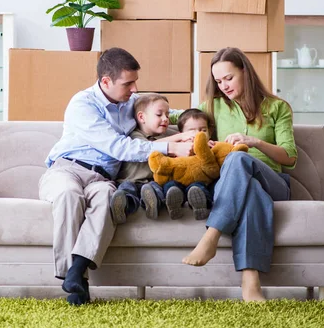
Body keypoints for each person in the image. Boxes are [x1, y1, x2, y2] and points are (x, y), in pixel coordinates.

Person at [39, 48, 193, 306]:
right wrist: (170, 146)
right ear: (106, 81)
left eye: (136, 82)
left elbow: (164, 111)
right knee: (69, 195)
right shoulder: (83, 104)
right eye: (128, 83)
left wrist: (195, 121)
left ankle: (76, 272)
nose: (135, 89)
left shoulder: (132, 102)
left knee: (108, 199)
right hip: (67, 168)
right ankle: (75, 280)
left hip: (102, 179)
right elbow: (118, 147)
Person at [180, 47, 297, 302]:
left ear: (245, 71)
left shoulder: (277, 107)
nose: (223, 86)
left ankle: (212, 234)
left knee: (237, 156)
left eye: (229, 78)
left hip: (274, 183)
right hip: (240, 189)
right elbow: (174, 118)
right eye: (219, 81)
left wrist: (254, 141)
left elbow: (290, 157)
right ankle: (250, 282)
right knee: (250, 189)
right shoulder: (212, 107)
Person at [110, 94, 196, 224]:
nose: (165, 119)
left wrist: (196, 140)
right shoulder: (134, 135)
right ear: (141, 117)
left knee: (154, 189)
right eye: (159, 115)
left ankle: (151, 205)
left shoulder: (169, 133)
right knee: (126, 189)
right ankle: (121, 205)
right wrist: (180, 138)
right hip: (130, 180)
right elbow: (150, 147)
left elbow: (190, 138)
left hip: (151, 182)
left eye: (167, 115)